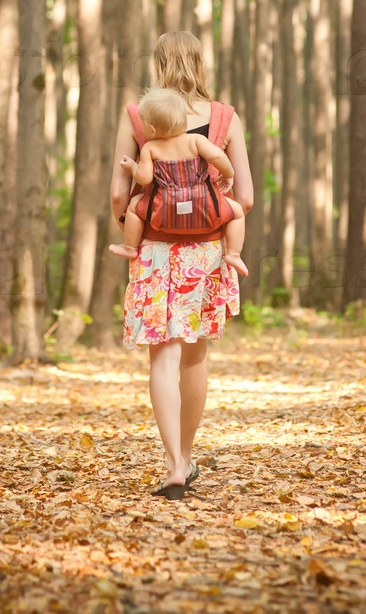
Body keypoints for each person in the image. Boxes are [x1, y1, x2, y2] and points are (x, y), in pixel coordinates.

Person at [110, 31, 253, 500]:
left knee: (162, 356)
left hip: (153, 251)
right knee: (195, 356)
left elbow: (118, 193)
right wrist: (216, 213)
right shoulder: (225, 118)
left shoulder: (138, 116)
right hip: (207, 252)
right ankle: (187, 457)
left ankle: (173, 464)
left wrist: (133, 223)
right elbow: (245, 197)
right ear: (200, 63)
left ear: (158, 65)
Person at [109, 86, 248, 276]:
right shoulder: (196, 140)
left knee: (134, 206)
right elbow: (217, 157)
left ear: (150, 128)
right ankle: (233, 253)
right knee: (237, 212)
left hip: (162, 210)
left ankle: (130, 247)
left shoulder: (150, 148)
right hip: (204, 205)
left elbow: (144, 178)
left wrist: (133, 167)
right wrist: (228, 173)